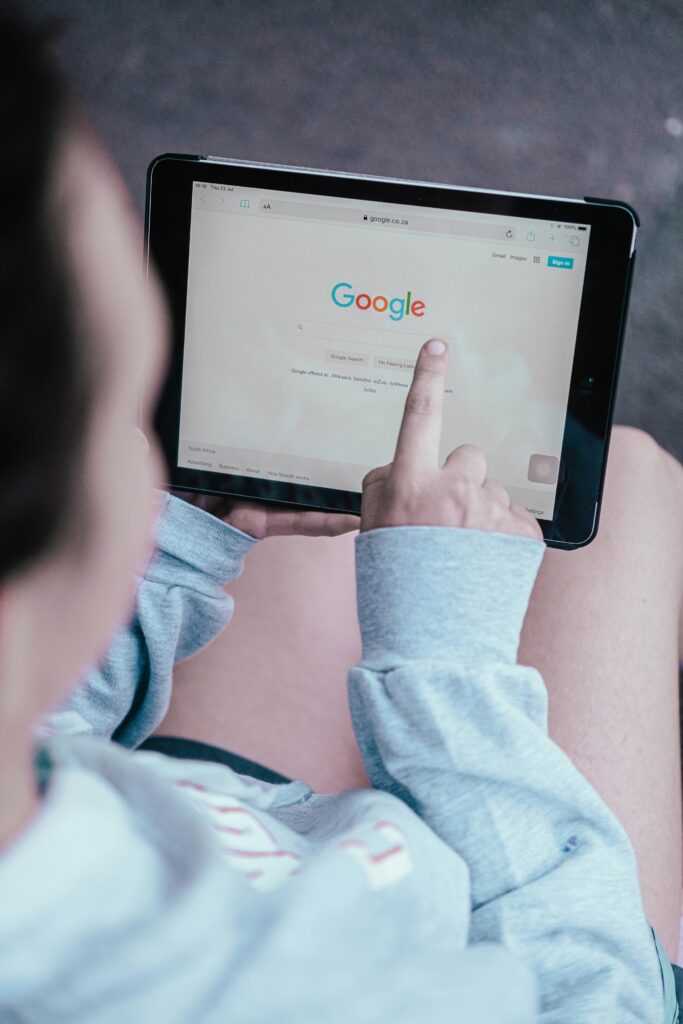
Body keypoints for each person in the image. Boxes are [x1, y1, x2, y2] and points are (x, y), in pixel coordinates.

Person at [0, 6, 681, 1021]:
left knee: (429, 500)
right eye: (128, 416)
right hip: (493, 924)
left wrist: (178, 532)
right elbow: (599, 996)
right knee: (619, 480)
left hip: (219, 815)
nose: (151, 454)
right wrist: (448, 661)